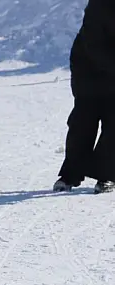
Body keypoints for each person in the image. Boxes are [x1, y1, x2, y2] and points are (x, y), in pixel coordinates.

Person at [54, 0, 115, 194]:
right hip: (89, 67)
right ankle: (70, 174)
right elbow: (93, 43)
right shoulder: (101, 4)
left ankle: (107, 174)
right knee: (83, 121)